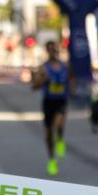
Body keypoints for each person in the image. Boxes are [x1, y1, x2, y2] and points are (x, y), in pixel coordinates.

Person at [31, 40, 73, 176]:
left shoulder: (65, 67)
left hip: (61, 101)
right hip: (48, 102)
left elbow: (72, 79)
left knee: (58, 123)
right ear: (47, 51)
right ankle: (52, 159)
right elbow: (34, 87)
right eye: (50, 50)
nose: (53, 52)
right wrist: (43, 79)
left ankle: (60, 139)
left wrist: (71, 91)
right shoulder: (43, 68)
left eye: (55, 49)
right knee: (48, 134)